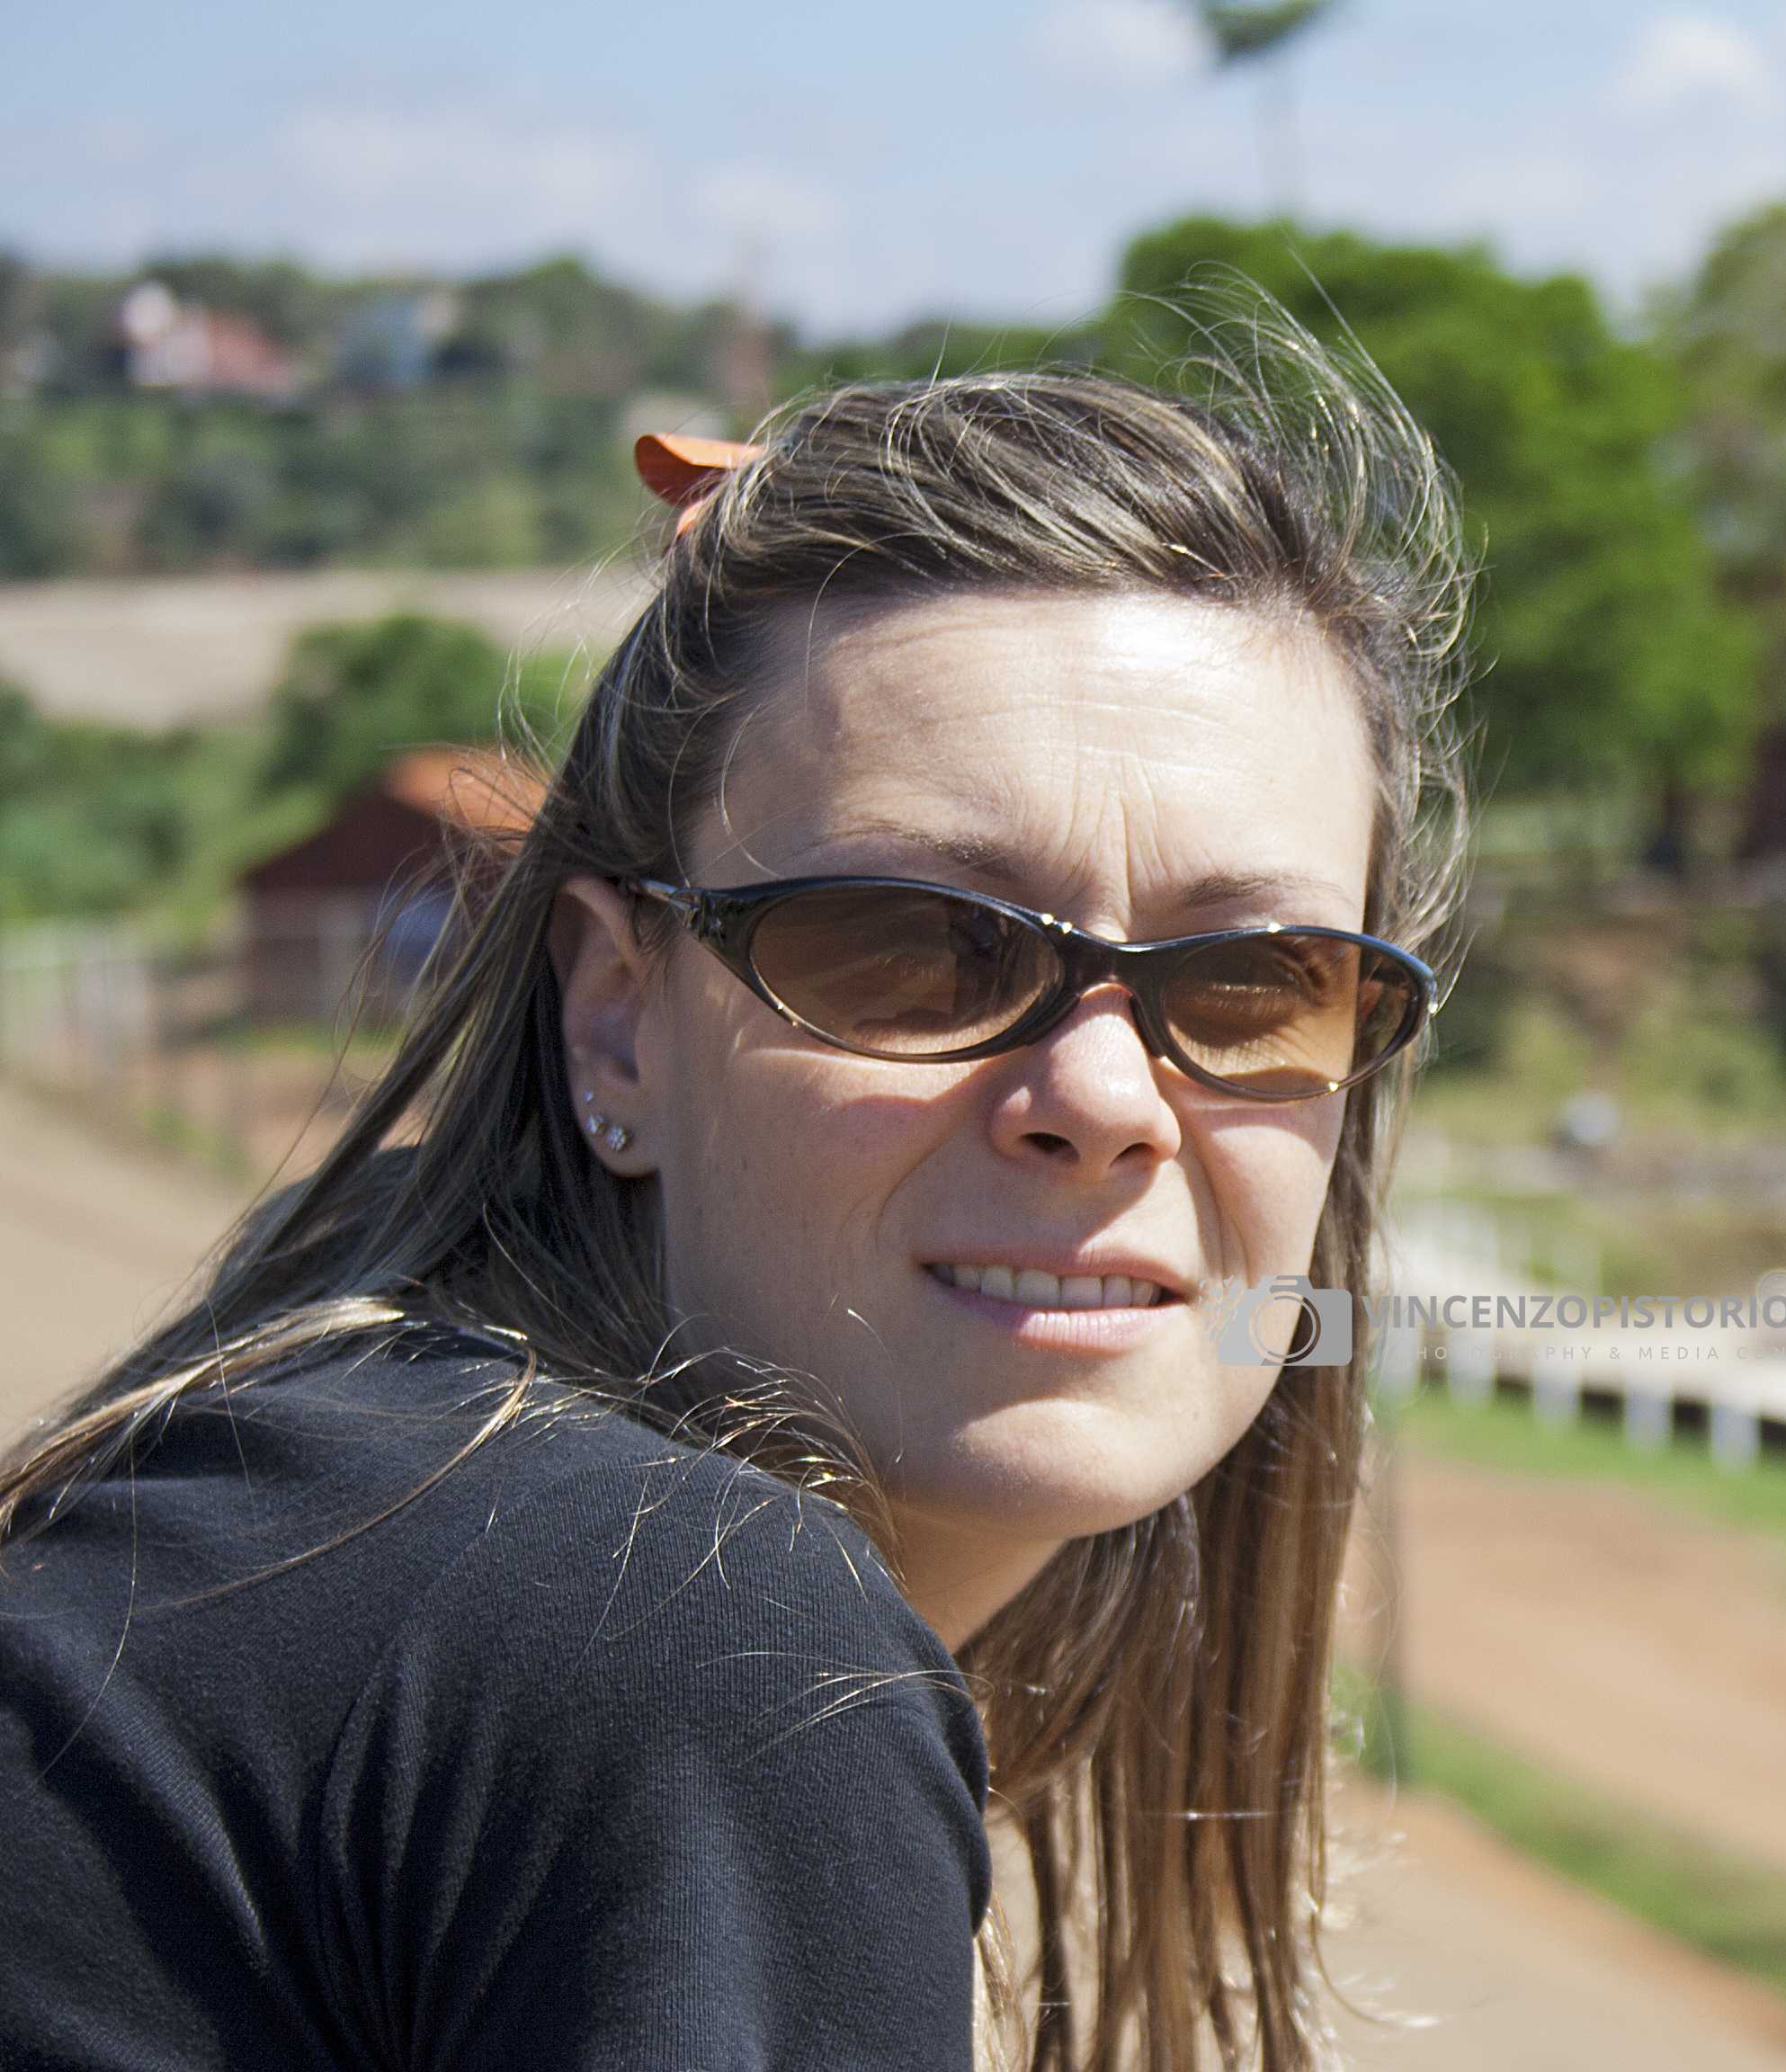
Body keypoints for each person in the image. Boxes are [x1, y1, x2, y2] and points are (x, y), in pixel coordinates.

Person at [0, 317, 1472, 2069]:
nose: (1101, 1102)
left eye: (1253, 984)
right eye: (918, 948)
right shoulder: (689, 1633)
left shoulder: (330, 1469)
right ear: (616, 1020)